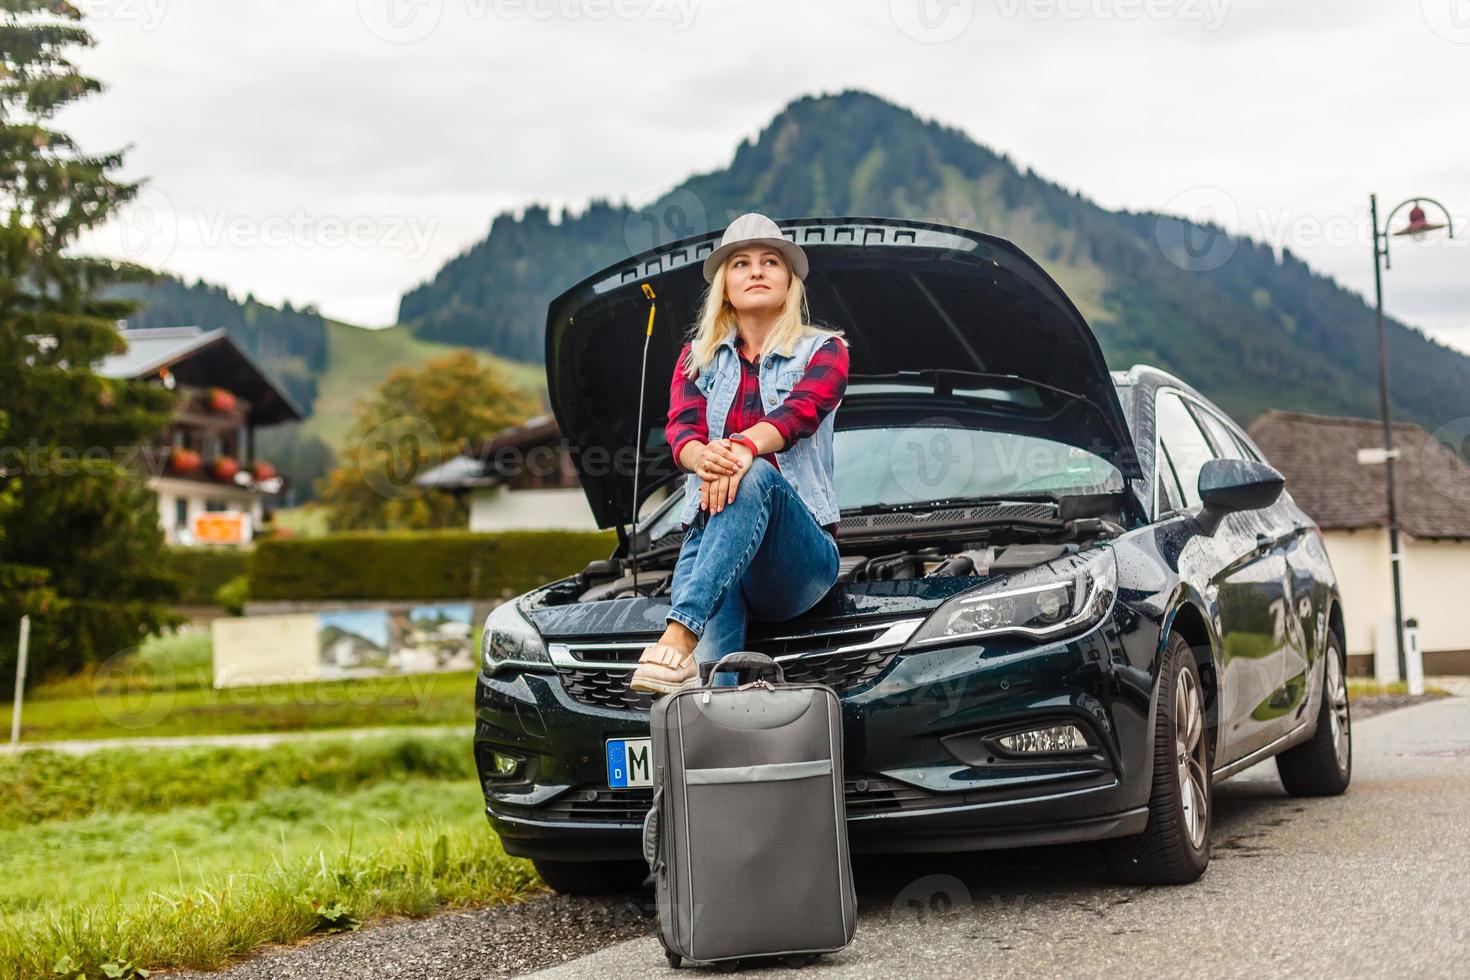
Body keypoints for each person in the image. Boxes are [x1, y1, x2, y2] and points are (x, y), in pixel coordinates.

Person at [629, 212, 849, 694]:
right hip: (713, 543)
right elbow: (681, 430)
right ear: (724, 286)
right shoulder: (695, 359)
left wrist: (740, 449)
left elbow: (800, 413)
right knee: (712, 692)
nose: (756, 271)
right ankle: (704, 717)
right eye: (741, 263)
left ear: (789, 281)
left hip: (799, 559)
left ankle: (678, 633)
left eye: (771, 261)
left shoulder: (826, 351)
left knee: (751, 477)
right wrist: (701, 458)